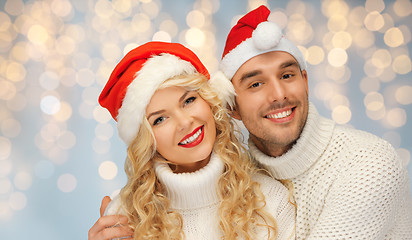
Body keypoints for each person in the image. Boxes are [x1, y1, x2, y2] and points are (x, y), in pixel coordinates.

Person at [213, 5, 412, 240]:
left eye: (287, 76)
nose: (278, 95)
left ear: (305, 82)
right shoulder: (238, 180)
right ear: (231, 106)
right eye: (256, 84)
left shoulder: (368, 162)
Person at [88, 41, 296, 240]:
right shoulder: (124, 219)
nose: (184, 122)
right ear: (146, 140)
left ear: (210, 102)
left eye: (188, 100)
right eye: (160, 119)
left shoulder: (271, 200)